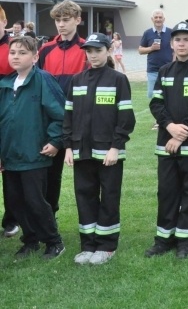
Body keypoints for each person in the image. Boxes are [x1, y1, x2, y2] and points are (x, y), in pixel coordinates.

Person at [63, 33, 135, 265]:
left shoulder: (117, 79)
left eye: (98, 51)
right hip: (82, 151)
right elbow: (69, 117)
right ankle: (88, 245)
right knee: (84, 196)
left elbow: (126, 118)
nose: (93, 55)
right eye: (89, 51)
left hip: (109, 153)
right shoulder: (77, 80)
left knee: (109, 197)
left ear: (108, 50)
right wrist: (68, 147)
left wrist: (116, 146)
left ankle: (106, 245)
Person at [146, 22, 188, 259]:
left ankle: (186, 240)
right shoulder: (164, 72)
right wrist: (170, 127)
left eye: (187, 39)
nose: (182, 43)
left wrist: (181, 133)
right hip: (167, 144)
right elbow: (156, 103)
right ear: (171, 44)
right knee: (166, 192)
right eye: (177, 40)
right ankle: (163, 239)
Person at [0, 35, 65, 259]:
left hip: (34, 154)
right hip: (10, 156)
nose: (16, 57)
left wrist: (55, 141)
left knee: (36, 201)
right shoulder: (5, 84)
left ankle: (54, 241)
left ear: (36, 57)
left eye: (22, 53)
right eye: (12, 53)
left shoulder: (43, 80)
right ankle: (30, 240)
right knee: (16, 203)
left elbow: (61, 115)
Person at [38, 0, 87, 216]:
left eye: (66, 20)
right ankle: (49, 215)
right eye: (57, 20)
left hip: (80, 119)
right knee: (49, 172)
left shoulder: (87, 49)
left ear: (78, 20)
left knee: (85, 173)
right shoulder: (46, 49)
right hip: (50, 120)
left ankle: (90, 220)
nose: (61, 24)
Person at [0, 6, 20, 238]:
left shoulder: (14, 48)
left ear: (4, 21)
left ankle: (11, 219)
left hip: (10, 115)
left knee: (11, 170)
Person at [139, 9, 173, 102]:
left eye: (160, 17)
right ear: (152, 19)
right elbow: (140, 50)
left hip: (168, 69)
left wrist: (174, 63)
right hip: (153, 70)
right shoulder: (147, 33)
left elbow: (175, 49)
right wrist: (151, 48)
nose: (158, 19)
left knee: (168, 94)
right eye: (156, 17)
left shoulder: (171, 32)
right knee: (152, 94)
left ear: (164, 19)